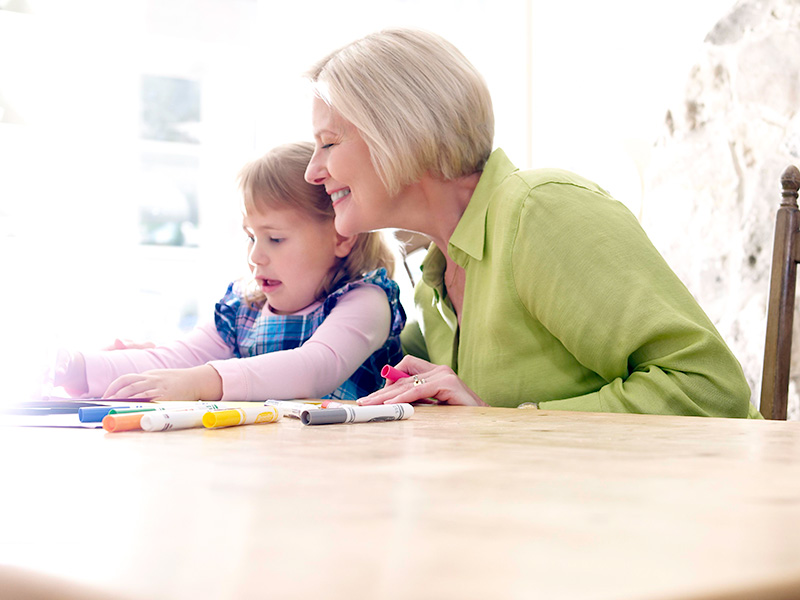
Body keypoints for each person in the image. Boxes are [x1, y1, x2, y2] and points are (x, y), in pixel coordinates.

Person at [303, 28, 760, 418]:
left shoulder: (539, 213)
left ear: (397, 131)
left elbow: (711, 389)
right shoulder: (433, 284)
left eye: (328, 144)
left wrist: (504, 425)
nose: (312, 171)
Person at [54, 142, 406, 402]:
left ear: (341, 237)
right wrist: (76, 367)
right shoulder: (242, 311)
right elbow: (174, 360)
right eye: (251, 237)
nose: (256, 256)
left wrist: (201, 382)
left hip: (349, 480)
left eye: (276, 238)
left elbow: (315, 367)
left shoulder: (366, 301)